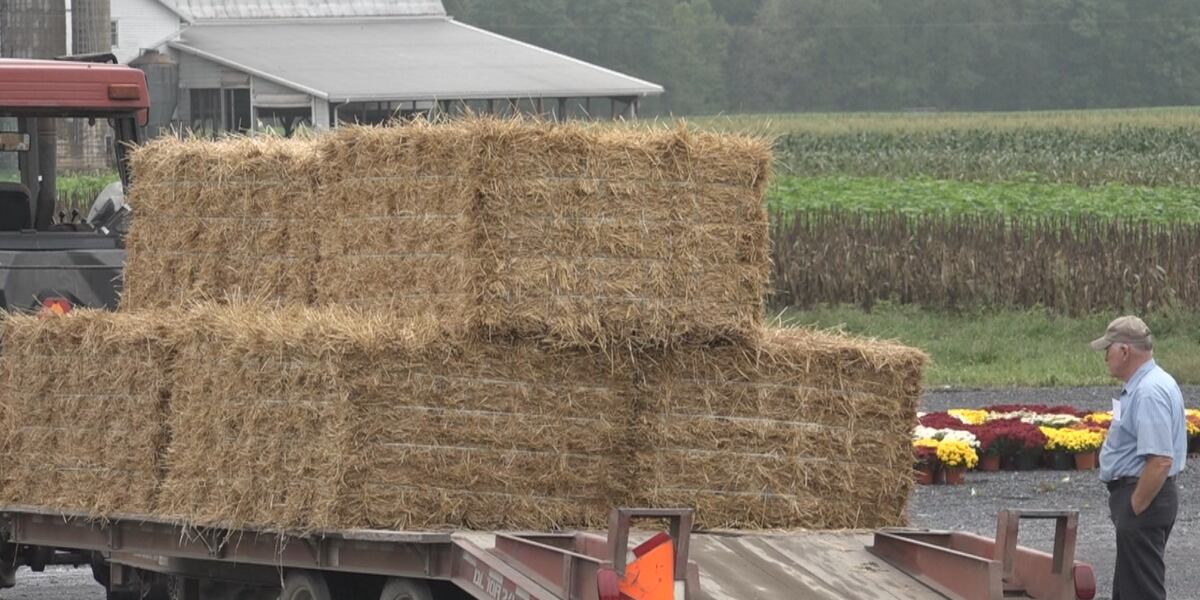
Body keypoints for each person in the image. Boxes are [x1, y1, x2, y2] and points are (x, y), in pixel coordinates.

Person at [1091, 315, 1187, 600]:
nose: (1105, 356)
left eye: (1107, 349)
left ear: (1124, 351)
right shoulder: (1149, 384)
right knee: (1128, 590)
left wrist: (1135, 507)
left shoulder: (1148, 392)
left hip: (1144, 498)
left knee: (1141, 593)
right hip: (1144, 498)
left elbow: (1160, 460)